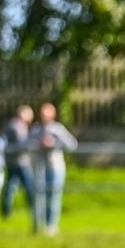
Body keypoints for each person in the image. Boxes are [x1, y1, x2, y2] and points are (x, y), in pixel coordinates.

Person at [30, 101, 78, 237]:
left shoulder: (58, 129)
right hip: (39, 168)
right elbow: (27, 144)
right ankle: (39, 225)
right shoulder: (36, 130)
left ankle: (51, 225)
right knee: (40, 197)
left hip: (55, 168)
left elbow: (72, 144)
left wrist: (53, 143)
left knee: (54, 197)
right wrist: (39, 144)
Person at [1, 104, 35, 221]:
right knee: (29, 188)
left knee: (10, 187)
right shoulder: (18, 127)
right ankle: (34, 210)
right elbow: (22, 144)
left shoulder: (9, 124)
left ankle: (5, 212)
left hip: (11, 162)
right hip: (21, 163)